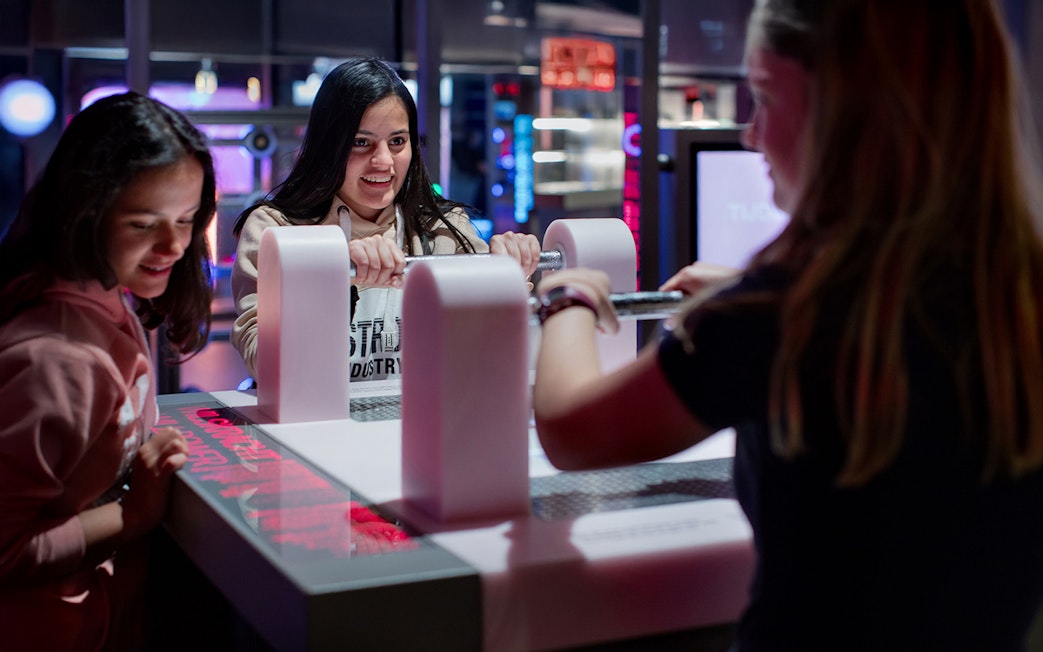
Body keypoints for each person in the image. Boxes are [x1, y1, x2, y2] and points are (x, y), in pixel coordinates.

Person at [531, 1, 1043, 650]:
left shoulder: (779, 317)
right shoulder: (1014, 301)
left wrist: (568, 294)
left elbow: (570, 427)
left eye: (765, 98)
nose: (750, 134)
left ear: (846, 108)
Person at [0, 91, 215, 651]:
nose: (174, 245)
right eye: (145, 224)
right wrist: (135, 514)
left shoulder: (111, 303)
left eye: (187, 220)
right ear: (86, 212)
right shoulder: (54, 357)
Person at [231, 57, 541, 383]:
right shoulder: (274, 230)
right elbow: (263, 362)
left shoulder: (444, 229)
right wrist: (336, 274)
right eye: (360, 142)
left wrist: (510, 279)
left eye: (397, 142)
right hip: (310, 425)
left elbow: (485, 352)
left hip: (419, 423)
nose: (383, 162)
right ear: (328, 146)